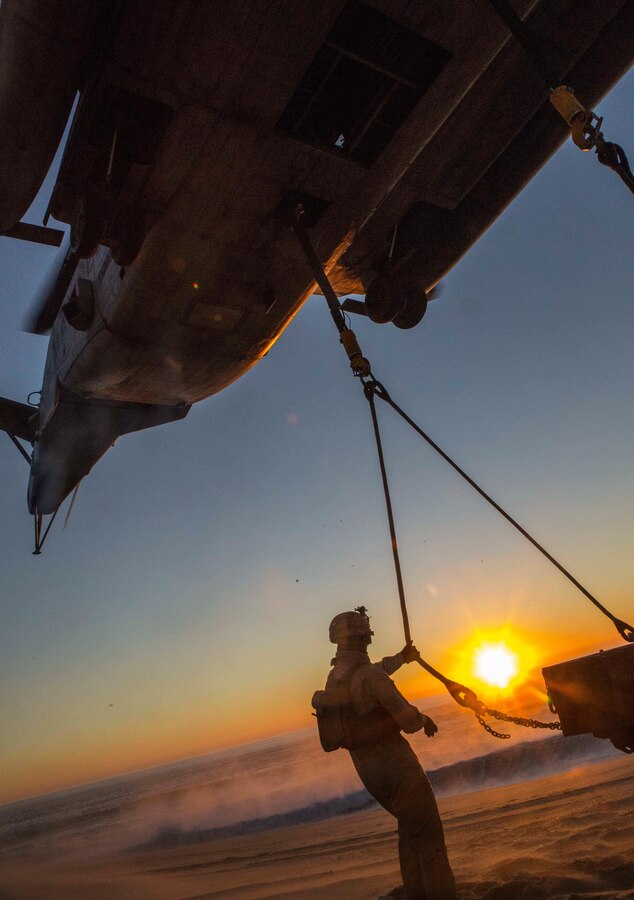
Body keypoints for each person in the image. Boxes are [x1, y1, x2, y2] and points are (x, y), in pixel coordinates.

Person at [315, 607, 457, 900]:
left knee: (409, 832)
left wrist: (402, 659)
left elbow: (374, 671)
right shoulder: (368, 677)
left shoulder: (336, 677)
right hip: (396, 767)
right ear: (364, 638)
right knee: (429, 836)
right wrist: (423, 719)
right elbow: (407, 719)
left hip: (368, 771)